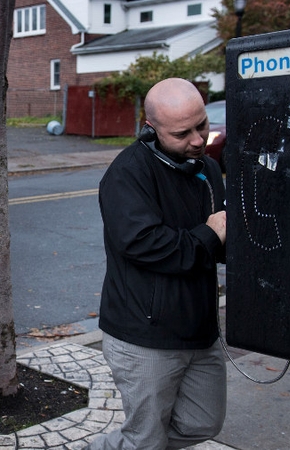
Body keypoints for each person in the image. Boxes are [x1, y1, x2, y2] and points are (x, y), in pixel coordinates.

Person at [88, 78, 227, 450]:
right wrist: (210, 236)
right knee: (145, 440)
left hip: (199, 328)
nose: (198, 139)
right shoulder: (127, 174)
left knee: (204, 422)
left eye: (202, 125)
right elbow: (145, 244)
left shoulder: (206, 169)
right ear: (151, 130)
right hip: (144, 335)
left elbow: (221, 239)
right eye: (183, 133)